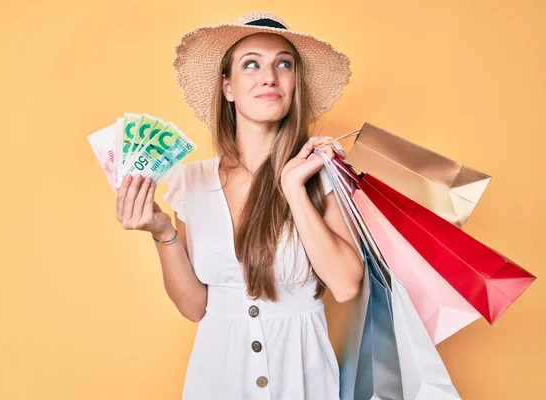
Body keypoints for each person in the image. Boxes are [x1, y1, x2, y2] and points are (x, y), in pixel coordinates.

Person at [115, 11, 364, 400]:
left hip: (302, 381)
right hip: (217, 379)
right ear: (227, 87)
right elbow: (196, 307)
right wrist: (163, 233)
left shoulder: (321, 171)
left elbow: (347, 286)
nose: (270, 76)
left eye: (284, 63)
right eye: (252, 64)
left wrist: (294, 189)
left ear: (294, 84)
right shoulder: (191, 181)